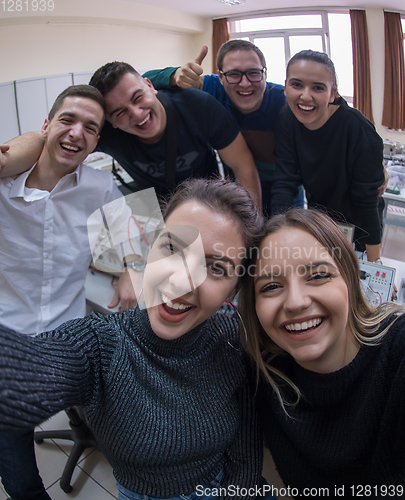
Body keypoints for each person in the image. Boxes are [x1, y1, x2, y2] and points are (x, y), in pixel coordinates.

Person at [0, 178, 277, 500]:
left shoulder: (233, 340)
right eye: (172, 248)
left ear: (234, 290)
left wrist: (238, 492)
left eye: (215, 268)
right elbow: (28, 374)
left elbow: (246, 440)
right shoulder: (100, 345)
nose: (182, 280)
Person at [0, 84, 141, 500]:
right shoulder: (4, 185)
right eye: (67, 120)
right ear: (45, 126)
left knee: (125, 409)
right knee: (19, 471)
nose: (77, 132)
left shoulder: (97, 186)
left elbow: (136, 230)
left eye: (90, 127)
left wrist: (133, 268)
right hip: (8, 339)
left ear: (97, 141)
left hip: (70, 335)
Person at [239, 207, 405, 497]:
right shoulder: (261, 370)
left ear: (351, 280)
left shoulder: (398, 350)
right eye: (272, 286)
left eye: (317, 276)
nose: (296, 302)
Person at [0, 61, 262, 210]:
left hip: (209, 199)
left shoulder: (198, 106)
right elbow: (46, 140)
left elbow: (242, 164)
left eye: (138, 98)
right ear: (109, 122)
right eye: (120, 112)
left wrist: (251, 227)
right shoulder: (105, 131)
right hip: (157, 209)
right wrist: (5, 161)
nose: (137, 115)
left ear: (150, 85)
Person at [144, 40, 298, 215]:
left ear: (265, 73)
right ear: (221, 77)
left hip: (285, 192)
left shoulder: (284, 102)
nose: (245, 83)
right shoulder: (212, 89)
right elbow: (142, 82)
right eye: (233, 74)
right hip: (237, 193)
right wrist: (174, 75)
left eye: (253, 73)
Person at [270, 49, 386, 262]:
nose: (305, 95)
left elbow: (367, 200)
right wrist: (277, 241)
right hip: (321, 222)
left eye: (318, 88)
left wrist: (374, 263)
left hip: (361, 227)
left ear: (333, 94)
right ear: (285, 87)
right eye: (297, 84)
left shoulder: (357, 129)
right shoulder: (287, 118)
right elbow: (284, 181)